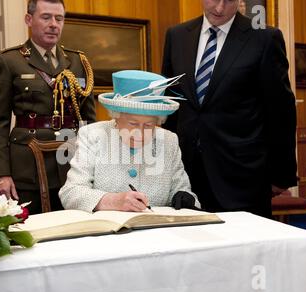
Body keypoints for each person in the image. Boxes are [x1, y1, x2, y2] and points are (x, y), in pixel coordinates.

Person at [161, 0, 297, 218]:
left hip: (242, 176)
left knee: (246, 250)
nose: (220, 8)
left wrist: (282, 174)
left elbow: (280, 111)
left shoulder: (264, 38)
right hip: (185, 173)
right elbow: (169, 102)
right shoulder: (177, 36)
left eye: (230, 0)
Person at [0, 0, 96, 214]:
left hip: (71, 161)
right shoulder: (10, 61)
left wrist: (95, 164)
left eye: (59, 18)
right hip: (28, 164)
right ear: (29, 19)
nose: (53, 24)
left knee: (76, 229)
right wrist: (2, 173)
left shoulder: (78, 62)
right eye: (46, 17)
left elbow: (89, 121)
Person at [59, 70, 200, 212]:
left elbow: (183, 192)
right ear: (116, 116)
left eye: (148, 125)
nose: (140, 133)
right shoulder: (92, 135)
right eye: (133, 123)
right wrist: (112, 201)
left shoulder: (168, 141)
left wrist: (185, 198)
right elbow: (70, 193)